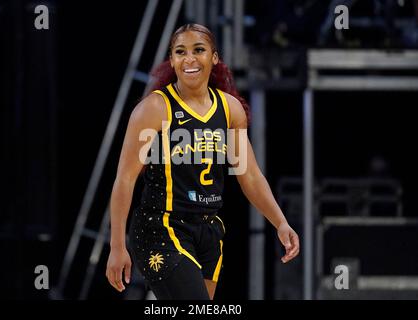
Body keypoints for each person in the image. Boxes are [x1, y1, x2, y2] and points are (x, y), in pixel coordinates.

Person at [106, 23, 300, 300]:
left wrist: (280, 222)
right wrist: (116, 246)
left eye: (199, 50)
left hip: (208, 230)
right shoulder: (154, 109)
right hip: (161, 227)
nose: (190, 59)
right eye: (180, 52)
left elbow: (250, 175)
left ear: (214, 57)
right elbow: (124, 179)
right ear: (172, 60)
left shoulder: (230, 109)